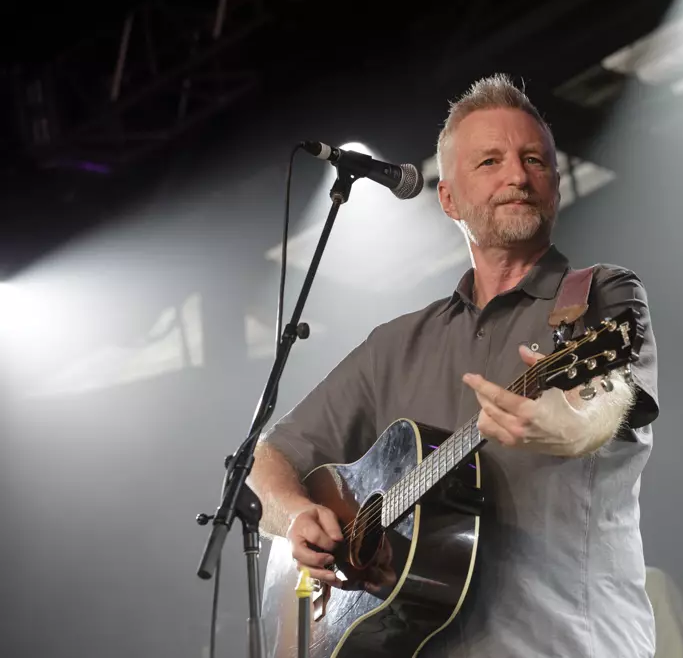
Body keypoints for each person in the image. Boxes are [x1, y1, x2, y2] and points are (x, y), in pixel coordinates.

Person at [249, 73, 660, 657]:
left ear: (556, 187)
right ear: (448, 199)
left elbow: (616, 396)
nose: (518, 175)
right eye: (490, 161)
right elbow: (267, 462)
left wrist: (565, 425)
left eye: (535, 160)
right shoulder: (395, 345)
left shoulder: (599, 295)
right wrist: (295, 520)